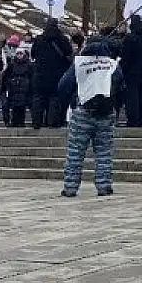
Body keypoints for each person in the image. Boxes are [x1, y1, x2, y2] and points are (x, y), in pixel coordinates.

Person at [57, 35, 123, 197]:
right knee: (103, 152)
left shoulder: (79, 63)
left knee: (75, 152)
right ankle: (104, 185)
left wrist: (72, 101)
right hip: (106, 114)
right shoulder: (113, 65)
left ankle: (70, 187)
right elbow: (120, 85)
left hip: (82, 112)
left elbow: (63, 85)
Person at [31, 18, 74, 129]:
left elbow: (33, 54)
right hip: (57, 73)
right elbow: (68, 53)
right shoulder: (62, 39)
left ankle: (36, 122)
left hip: (40, 73)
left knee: (38, 98)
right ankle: (52, 122)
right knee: (54, 98)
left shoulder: (39, 39)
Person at [0, 48, 34, 128]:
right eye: (18, 53)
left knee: (22, 106)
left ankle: (21, 122)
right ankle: (14, 121)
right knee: (15, 106)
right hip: (14, 88)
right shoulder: (12, 64)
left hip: (24, 88)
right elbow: (6, 76)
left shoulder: (29, 65)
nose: (19, 55)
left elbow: (31, 76)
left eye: (21, 54)